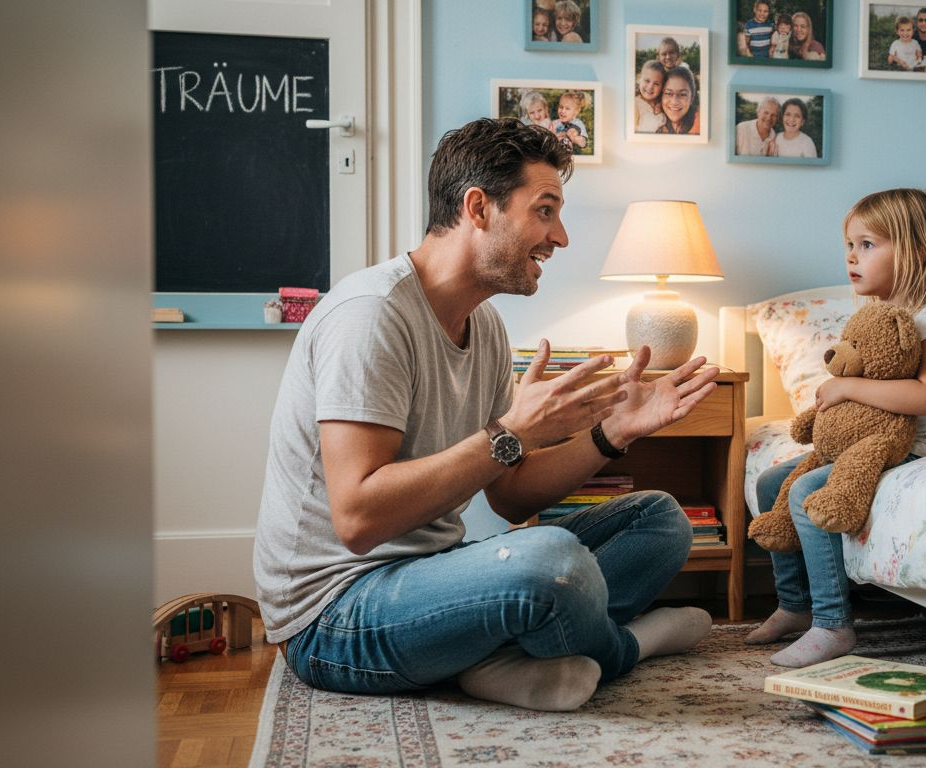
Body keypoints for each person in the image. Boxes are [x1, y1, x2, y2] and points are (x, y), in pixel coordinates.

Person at [254, 117, 721, 711]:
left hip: (434, 573)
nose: (562, 238)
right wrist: (513, 431)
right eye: (545, 210)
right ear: (479, 207)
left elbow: (511, 497)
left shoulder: (488, 327)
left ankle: (494, 658)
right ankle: (626, 647)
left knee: (660, 520)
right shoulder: (371, 317)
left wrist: (609, 435)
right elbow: (358, 518)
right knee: (550, 563)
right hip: (335, 613)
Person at [744, 189, 926, 667]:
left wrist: (847, 389)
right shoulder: (877, 317)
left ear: (917, 252)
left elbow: (925, 395)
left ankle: (832, 623)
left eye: (867, 244)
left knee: (807, 494)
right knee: (770, 482)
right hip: (862, 442)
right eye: (849, 245)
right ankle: (795, 604)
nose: (851, 256)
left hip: (914, 449)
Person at [656, 65, 700, 136]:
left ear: (691, 98)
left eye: (682, 94)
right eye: (668, 93)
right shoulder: (654, 121)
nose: (674, 102)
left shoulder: (702, 125)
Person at [633, 59, 666, 133]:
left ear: (662, 87)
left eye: (656, 84)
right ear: (639, 79)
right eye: (647, 81)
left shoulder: (662, 103)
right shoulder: (635, 104)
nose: (650, 87)